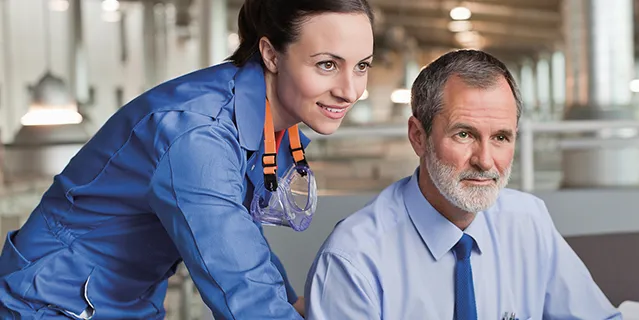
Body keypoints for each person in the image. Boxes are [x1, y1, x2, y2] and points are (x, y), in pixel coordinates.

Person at [0, 0, 374, 318]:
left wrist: (291, 302)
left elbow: (240, 238)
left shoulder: (268, 118)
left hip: (124, 299)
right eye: (327, 64)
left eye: (362, 66)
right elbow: (240, 288)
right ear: (271, 54)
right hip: (52, 301)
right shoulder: (198, 136)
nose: (350, 90)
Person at [304, 49, 622, 320]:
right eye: (464, 135)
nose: (485, 161)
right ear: (418, 136)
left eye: (500, 137)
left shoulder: (528, 221)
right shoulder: (355, 259)